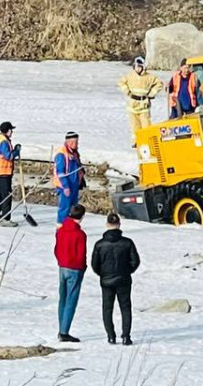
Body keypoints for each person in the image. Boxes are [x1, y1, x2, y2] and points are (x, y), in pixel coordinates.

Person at [91, 213, 140, 345]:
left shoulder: (100, 244)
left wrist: (102, 273)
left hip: (106, 280)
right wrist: (127, 271)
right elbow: (135, 261)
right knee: (125, 308)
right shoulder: (127, 243)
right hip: (123, 279)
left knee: (107, 308)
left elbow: (94, 264)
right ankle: (126, 336)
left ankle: (111, 336)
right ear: (119, 225)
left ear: (107, 225)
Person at [54, 203, 87, 342]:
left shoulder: (60, 231)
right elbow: (81, 254)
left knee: (63, 298)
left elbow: (56, 249)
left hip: (62, 267)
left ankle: (61, 327)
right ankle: (64, 331)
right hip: (75, 268)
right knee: (71, 300)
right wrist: (82, 267)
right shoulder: (80, 234)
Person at [119, 56, 164, 144]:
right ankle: (137, 143)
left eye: (139, 66)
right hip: (132, 105)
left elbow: (159, 84)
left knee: (146, 126)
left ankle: (147, 143)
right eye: (136, 66)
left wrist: (152, 94)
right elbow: (121, 83)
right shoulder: (130, 76)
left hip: (144, 105)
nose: (138, 68)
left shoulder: (149, 77)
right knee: (135, 127)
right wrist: (127, 91)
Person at [0, 121, 20, 227]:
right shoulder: (3, 141)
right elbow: (8, 156)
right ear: (7, 130)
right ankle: (5, 218)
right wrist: (16, 151)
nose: (12, 132)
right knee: (6, 195)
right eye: (11, 130)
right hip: (4, 171)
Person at [53, 132, 85, 225]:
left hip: (74, 185)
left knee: (73, 209)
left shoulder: (74, 153)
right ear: (70, 142)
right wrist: (66, 186)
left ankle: (72, 228)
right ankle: (61, 228)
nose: (77, 144)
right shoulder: (61, 154)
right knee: (65, 208)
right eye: (76, 142)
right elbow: (60, 172)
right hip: (65, 187)